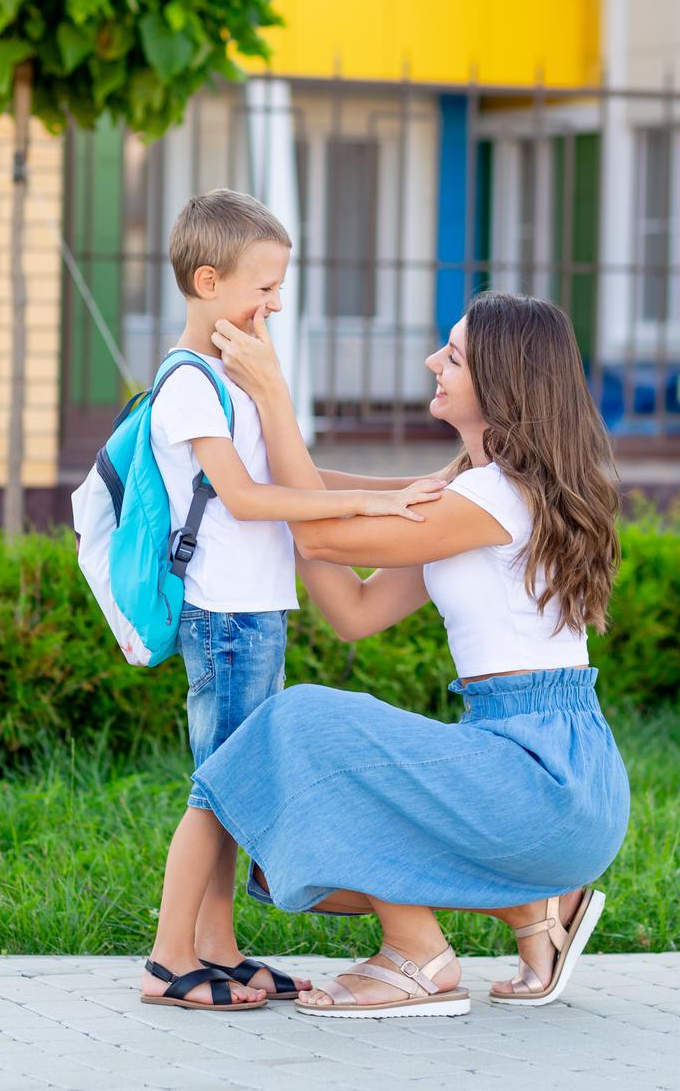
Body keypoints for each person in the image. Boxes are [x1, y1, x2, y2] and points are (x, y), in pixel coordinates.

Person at [142, 290, 630, 1017]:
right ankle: (532, 913)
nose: (434, 361)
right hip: (550, 775)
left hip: (541, 779)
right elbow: (354, 610)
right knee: (306, 795)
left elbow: (322, 538)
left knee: (302, 724)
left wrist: (274, 396)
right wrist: (270, 495)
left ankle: (416, 955)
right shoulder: (475, 493)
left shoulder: (493, 498)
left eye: (455, 355)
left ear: (500, 382)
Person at [141, 189, 445, 1010]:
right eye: (264, 288)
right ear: (209, 282)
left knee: (232, 782)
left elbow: (293, 481)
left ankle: (219, 947)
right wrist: (369, 509)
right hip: (227, 618)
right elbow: (246, 497)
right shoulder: (191, 386)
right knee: (222, 789)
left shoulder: (231, 380)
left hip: (252, 614)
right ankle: (170, 960)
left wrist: (400, 488)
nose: (275, 304)